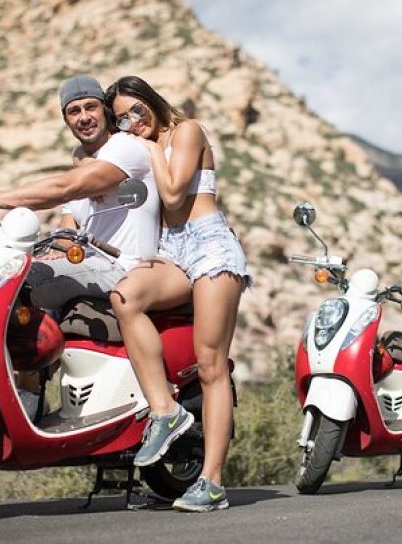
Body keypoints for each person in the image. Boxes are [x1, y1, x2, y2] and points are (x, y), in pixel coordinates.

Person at [0, 74, 161, 510]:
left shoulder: (124, 150)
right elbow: (75, 219)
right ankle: (10, 425)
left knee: (20, 289)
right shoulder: (86, 161)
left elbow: (67, 189)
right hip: (93, 267)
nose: (83, 117)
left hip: (127, 271)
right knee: (10, 291)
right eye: (73, 112)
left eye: (90, 107)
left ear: (106, 111)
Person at [105, 75, 251, 512]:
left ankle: (212, 481)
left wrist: (150, 148)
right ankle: (165, 409)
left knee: (211, 366)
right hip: (171, 249)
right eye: (121, 119)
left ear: (151, 101)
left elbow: (172, 194)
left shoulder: (187, 131)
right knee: (125, 297)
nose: (130, 122)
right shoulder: (137, 145)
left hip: (209, 245)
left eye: (135, 110)